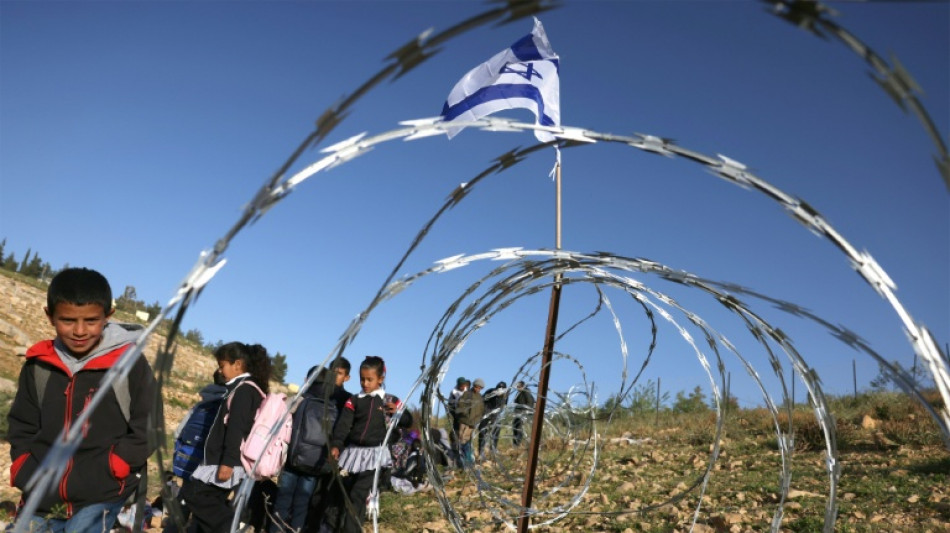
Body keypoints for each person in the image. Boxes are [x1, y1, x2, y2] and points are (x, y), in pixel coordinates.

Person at [8, 267, 157, 533]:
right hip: (40, 496)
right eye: (67, 320)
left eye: (90, 320)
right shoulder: (38, 366)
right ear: (50, 316)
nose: (79, 331)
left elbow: (148, 425)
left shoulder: (129, 363)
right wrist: (23, 468)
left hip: (100, 495)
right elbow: (22, 424)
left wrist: (117, 464)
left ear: (107, 316)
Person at [179, 342, 271, 533]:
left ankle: (232, 527)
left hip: (225, 459)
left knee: (194, 493)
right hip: (224, 458)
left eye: (222, 366)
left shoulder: (245, 390)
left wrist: (227, 462)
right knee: (209, 506)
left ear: (237, 364)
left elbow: (236, 427)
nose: (220, 371)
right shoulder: (243, 388)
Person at [320, 356, 409, 533]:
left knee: (358, 494)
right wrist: (336, 445)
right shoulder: (354, 400)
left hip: (375, 456)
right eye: (362, 379)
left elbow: (407, 420)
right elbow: (343, 426)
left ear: (380, 379)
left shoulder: (389, 400)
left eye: (370, 379)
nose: (365, 383)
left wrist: (400, 413)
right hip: (353, 455)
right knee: (345, 494)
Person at [271, 359, 351, 533]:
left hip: (294, 459)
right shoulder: (337, 405)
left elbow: (281, 414)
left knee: (283, 500)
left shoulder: (303, 398)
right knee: (303, 503)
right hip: (316, 464)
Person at [455, 378, 485, 467]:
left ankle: (468, 462)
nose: (478, 389)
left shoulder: (480, 397)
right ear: (474, 386)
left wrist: (477, 420)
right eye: (477, 387)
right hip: (464, 422)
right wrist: (465, 415)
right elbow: (460, 405)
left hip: (473, 423)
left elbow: (481, 410)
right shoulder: (467, 394)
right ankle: (463, 462)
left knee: (468, 442)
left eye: (480, 388)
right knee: (462, 441)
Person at [478, 381, 508, 458]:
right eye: (499, 388)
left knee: (496, 430)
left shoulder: (505, 395)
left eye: (502, 388)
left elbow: (504, 405)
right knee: (483, 431)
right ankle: (481, 450)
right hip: (486, 413)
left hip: (496, 415)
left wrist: (499, 412)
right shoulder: (491, 390)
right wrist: (493, 394)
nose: (500, 389)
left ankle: (493, 448)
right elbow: (482, 399)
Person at [446, 377, 468, 468]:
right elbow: (450, 405)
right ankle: (456, 459)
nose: (463, 387)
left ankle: (466, 460)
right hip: (457, 417)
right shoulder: (454, 392)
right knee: (455, 436)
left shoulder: (468, 392)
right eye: (461, 385)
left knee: (466, 439)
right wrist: (455, 413)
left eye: (464, 385)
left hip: (467, 419)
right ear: (459, 385)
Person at [512, 381, 535, 446]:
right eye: (517, 386)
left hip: (523, 414)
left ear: (522, 386)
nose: (517, 388)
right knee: (515, 428)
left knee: (519, 429)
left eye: (518, 386)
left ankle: (517, 444)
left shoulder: (526, 392)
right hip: (518, 414)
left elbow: (530, 403)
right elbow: (515, 403)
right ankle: (515, 444)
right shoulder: (519, 393)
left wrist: (523, 413)